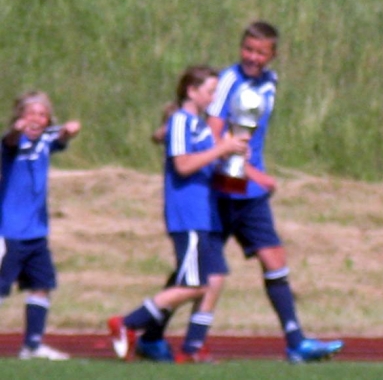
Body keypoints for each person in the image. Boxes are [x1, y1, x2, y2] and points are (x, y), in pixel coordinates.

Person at [143, 21, 344, 363]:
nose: (252, 57)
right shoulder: (227, 82)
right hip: (222, 190)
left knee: (273, 258)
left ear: (272, 55)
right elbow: (215, 137)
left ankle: (296, 342)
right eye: (248, 49)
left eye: (260, 52)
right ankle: (152, 336)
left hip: (249, 194)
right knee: (197, 272)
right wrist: (256, 175)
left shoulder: (270, 82)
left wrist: (254, 175)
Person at [107, 65, 248, 363]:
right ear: (192, 91)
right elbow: (183, 165)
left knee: (214, 278)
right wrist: (220, 149)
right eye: (210, 91)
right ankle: (128, 323)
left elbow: (206, 166)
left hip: (206, 215)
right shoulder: (182, 121)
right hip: (189, 215)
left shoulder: (199, 126)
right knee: (194, 285)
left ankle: (192, 347)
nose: (214, 97)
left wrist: (231, 158)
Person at [0, 90, 81, 361]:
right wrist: (16, 129)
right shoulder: (13, 142)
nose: (36, 119)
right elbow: (10, 140)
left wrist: (68, 132)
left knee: (42, 284)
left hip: (36, 233)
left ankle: (32, 345)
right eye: (31, 113)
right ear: (20, 116)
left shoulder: (45, 141)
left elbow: (60, 137)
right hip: (9, 232)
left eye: (42, 114)